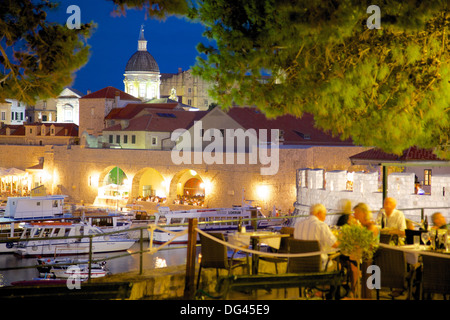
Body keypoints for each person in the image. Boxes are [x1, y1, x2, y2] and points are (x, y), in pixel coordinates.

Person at [294, 203, 338, 270]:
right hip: (320, 266)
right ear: (319, 213)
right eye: (324, 215)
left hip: (299, 265)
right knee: (339, 266)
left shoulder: (298, 225)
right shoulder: (322, 226)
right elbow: (335, 244)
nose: (325, 218)